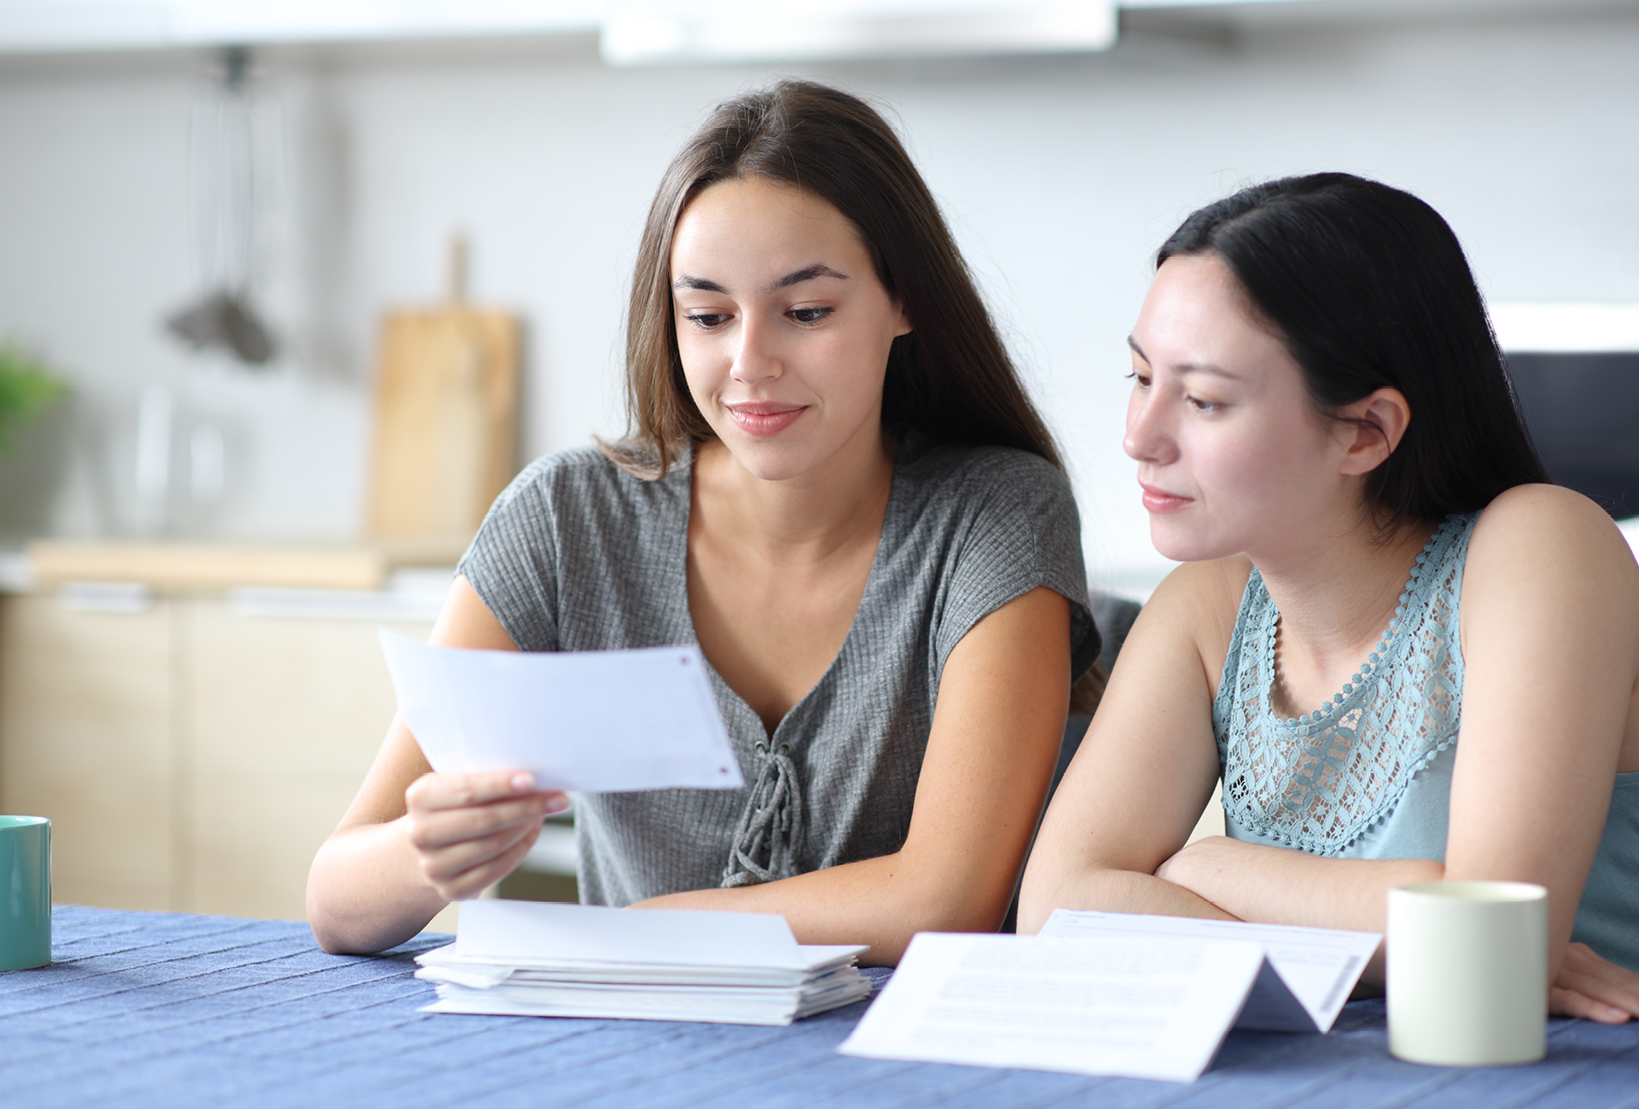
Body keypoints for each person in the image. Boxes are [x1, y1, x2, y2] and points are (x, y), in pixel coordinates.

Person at [308, 80, 1101, 963]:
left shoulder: (994, 515)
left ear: (903, 299)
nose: (749, 362)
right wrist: (426, 857)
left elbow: (943, 897)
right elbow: (337, 900)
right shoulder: (567, 522)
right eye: (709, 315)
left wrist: (616, 934)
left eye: (806, 312)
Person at [1018, 172, 1639, 1022]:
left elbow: (1494, 950)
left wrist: (1204, 872)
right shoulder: (1204, 606)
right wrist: (1416, 925)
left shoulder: (1542, 546)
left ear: (1368, 431)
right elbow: (1057, 912)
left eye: (1204, 399)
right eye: (1140, 377)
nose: (1139, 437)